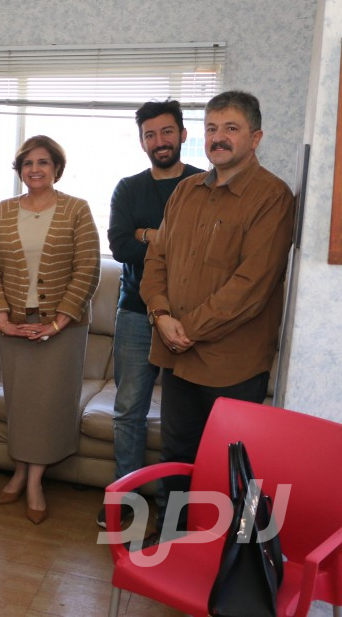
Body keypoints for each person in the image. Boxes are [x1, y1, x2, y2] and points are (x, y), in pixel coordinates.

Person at [140, 90, 295, 539]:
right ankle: (173, 540)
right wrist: (161, 315)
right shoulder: (185, 191)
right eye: (211, 128)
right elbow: (156, 260)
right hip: (177, 354)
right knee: (176, 456)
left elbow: (252, 286)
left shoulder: (273, 197)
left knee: (232, 465)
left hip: (232, 364)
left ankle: (227, 557)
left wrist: (187, 328)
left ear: (255, 137)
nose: (218, 138)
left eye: (231, 128)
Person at [0, 135, 100, 524]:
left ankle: (34, 482)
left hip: (64, 330)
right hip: (14, 325)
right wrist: (1, 319)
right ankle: (19, 470)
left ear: (56, 168)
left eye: (43, 162)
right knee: (20, 402)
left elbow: (88, 268)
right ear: (19, 170)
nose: (35, 169)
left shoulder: (77, 209)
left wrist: (58, 322)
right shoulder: (2, 211)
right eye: (28, 163)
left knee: (50, 404)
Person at [96, 100, 204, 529]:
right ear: (142, 142)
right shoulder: (128, 188)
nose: (159, 141)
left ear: (182, 134)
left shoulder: (204, 184)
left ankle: (171, 508)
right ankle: (125, 498)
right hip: (136, 314)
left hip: (189, 319)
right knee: (128, 410)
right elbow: (120, 245)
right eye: (150, 135)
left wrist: (147, 234)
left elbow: (203, 251)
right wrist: (165, 238)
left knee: (182, 420)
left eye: (166, 132)